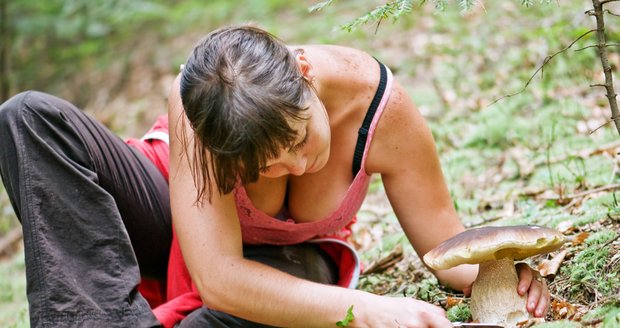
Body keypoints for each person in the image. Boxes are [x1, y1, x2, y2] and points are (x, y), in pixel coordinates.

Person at [0, 25, 550, 327]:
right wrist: (367, 311)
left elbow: (442, 245)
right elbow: (216, 275)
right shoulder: (200, 98)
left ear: (304, 74)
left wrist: (500, 274)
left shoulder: (383, 111)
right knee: (26, 116)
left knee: (236, 319)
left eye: (296, 143)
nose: (292, 168)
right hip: (174, 219)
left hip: (280, 262)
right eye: (259, 165)